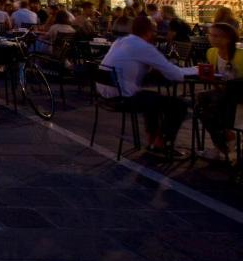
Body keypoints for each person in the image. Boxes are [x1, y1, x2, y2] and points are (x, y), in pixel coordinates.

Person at [97, 15, 194, 155]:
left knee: (152, 99)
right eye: (155, 31)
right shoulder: (143, 46)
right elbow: (176, 74)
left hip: (105, 94)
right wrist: (195, 70)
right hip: (123, 98)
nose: (157, 35)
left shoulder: (120, 41)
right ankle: (162, 144)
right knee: (178, 105)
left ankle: (152, 140)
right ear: (149, 32)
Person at [196, 22, 243, 160]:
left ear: (228, 38)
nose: (211, 38)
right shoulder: (211, 53)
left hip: (239, 95)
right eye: (210, 34)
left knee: (214, 107)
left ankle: (225, 144)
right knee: (202, 103)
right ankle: (226, 143)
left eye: (216, 36)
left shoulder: (240, 55)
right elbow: (215, 78)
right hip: (225, 94)